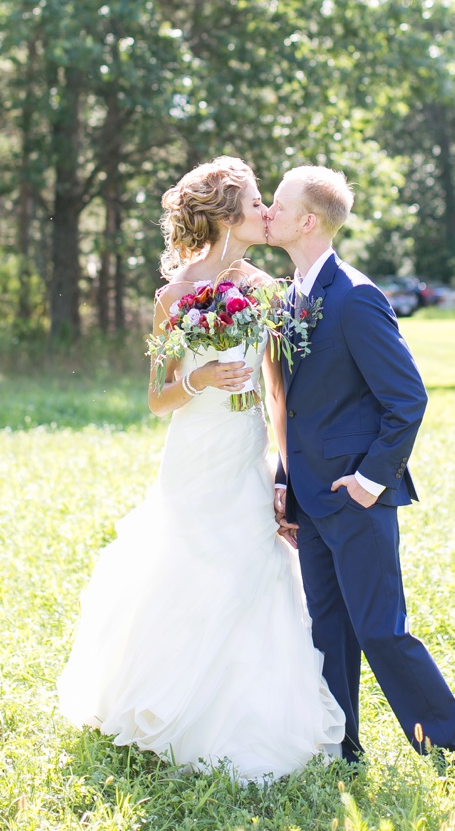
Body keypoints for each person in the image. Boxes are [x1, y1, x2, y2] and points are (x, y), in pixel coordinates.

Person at [56, 156, 345, 781]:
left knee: (252, 574)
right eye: (255, 202)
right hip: (191, 461)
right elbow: (157, 397)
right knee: (185, 569)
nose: (265, 210)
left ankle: (252, 717)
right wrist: (200, 375)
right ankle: (169, 705)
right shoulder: (173, 297)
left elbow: (276, 393)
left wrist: (284, 474)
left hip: (243, 457)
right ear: (225, 214)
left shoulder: (265, 290)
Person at [262, 165, 455, 773]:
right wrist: (286, 481)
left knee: (380, 630)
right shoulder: (289, 299)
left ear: (308, 220)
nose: (266, 213)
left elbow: (407, 399)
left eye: (277, 206)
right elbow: (296, 408)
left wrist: (368, 481)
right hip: (310, 498)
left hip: (357, 497)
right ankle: (340, 748)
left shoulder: (358, 298)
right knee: (326, 632)